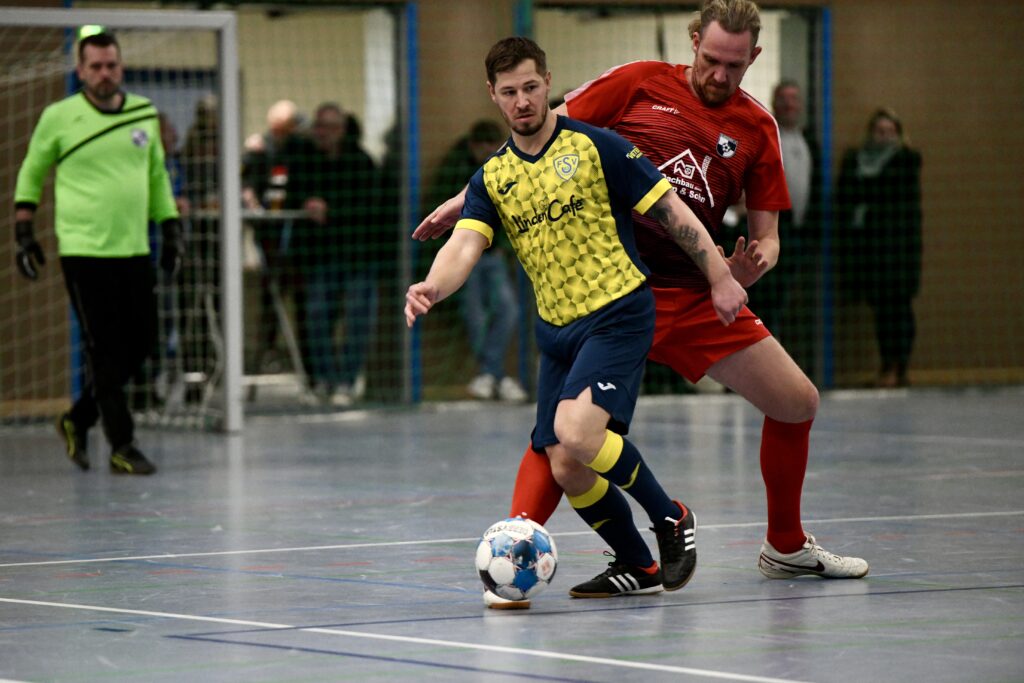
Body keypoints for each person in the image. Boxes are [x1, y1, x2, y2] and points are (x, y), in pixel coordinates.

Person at [415, 0, 869, 609]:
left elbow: (767, 236)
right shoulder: (635, 84)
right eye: (710, 59)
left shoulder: (757, 128)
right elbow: (536, 140)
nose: (719, 74)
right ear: (692, 43)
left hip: (694, 292)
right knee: (562, 440)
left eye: (734, 65)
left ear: (753, 58)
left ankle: (784, 546)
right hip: (611, 289)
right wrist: (465, 200)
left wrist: (747, 266)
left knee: (797, 403)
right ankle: (521, 540)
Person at [407, 36, 747, 605]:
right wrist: (432, 287)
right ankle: (638, 564)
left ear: (548, 83)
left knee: (577, 433)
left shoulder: (598, 147)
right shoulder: (492, 177)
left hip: (617, 312)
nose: (522, 102)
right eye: (510, 92)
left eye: (532, 88)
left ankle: (671, 515)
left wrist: (719, 275)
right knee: (566, 463)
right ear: (494, 96)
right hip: (557, 331)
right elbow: (465, 244)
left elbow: (670, 209)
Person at [13, 32, 181, 475]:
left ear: (120, 67)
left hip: (133, 247)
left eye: (112, 65)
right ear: (81, 71)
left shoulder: (144, 112)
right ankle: (122, 445)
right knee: (104, 349)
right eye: (96, 67)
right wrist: (24, 230)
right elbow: (32, 169)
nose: (105, 74)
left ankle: (76, 418)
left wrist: (172, 228)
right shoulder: (60, 117)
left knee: (143, 343)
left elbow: (157, 176)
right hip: (84, 250)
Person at [425, 119, 528, 402]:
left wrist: (505, 246)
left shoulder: (508, 169)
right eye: (482, 146)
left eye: (492, 146)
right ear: (472, 146)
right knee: (475, 316)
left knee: (508, 312)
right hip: (464, 258)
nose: (487, 151)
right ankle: (496, 375)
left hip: (493, 256)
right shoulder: (455, 172)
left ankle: (490, 373)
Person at [286, 103, 380, 406]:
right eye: (318, 126)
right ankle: (324, 379)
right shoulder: (306, 160)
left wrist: (331, 210)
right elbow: (291, 194)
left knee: (356, 320)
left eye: (328, 127)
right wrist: (307, 203)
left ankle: (347, 381)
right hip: (321, 255)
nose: (321, 132)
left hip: (358, 256)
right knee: (316, 317)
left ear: (340, 130)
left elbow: (370, 207)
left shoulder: (361, 162)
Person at [836, 108, 922, 388]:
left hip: (899, 251)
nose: (884, 137)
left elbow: (881, 193)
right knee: (881, 311)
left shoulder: (907, 161)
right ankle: (888, 366)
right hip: (871, 252)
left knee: (899, 310)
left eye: (889, 131)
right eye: (879, 131)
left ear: (898, 134)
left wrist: (865, 189)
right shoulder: (857, 160)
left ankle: (899, 367)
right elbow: (846, 195)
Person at [755, 79, 821, 375]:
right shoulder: (766, 136)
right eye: (784, 99)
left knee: (780, 300)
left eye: (795, 99)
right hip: (765, 232)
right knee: (762, 297)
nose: (790, 105)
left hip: (796, 235)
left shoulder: (809, 143)